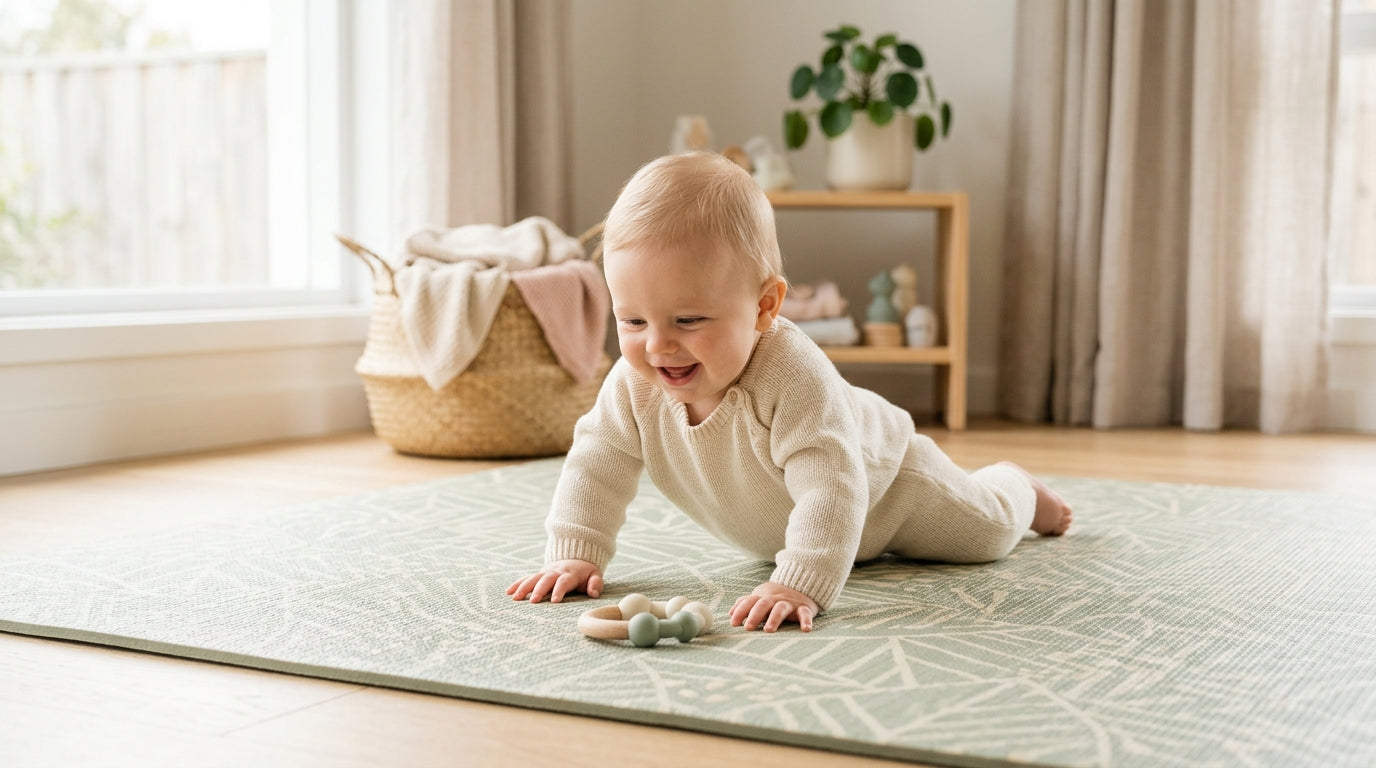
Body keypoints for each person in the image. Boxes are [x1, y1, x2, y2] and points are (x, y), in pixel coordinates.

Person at [507, 152, 1072, 633]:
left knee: (990, 533)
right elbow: (595, 465)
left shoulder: (791, 376)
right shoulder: (633, 386)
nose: (658, 347)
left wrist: (800, 582)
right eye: (631, 322)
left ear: (765, 307)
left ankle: (1015, 485)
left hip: (886, 487)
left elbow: (832, 485)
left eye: (688, 320)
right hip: (782, 516)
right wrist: (577, 552)